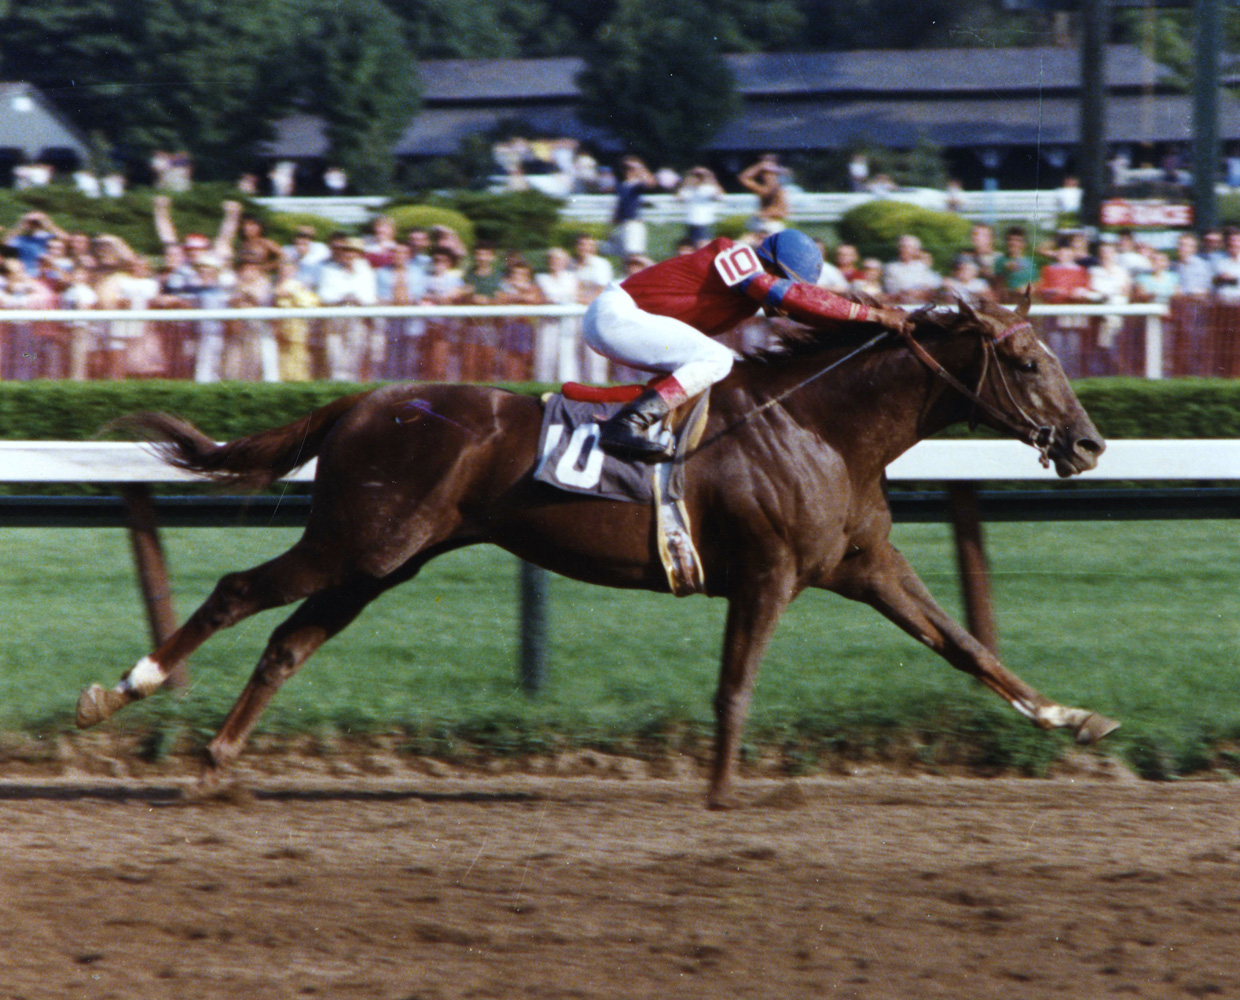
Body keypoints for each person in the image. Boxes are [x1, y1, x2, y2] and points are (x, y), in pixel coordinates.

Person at [582, 229, 908, 460]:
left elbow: (802, 308)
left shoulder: (747, 296)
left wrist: (868, 323)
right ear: (770, 265)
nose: (784, 291)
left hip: (624, 321)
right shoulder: (733, 254)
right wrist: (872, 315)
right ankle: (627, 424)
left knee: (712, 368)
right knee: (717, 359)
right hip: (615, 314)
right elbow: (787, 295)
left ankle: (639, 421)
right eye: (782, 278)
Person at [612, 156, 656, 256]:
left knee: (634, 255)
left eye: (630, 168)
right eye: (625, 168)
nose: (628, 171)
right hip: (622, 223)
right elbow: (619, 204)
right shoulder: (622, 185)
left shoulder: (637, 185)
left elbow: (651, 183)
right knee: (624, 256)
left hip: (633, 223)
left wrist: (639, 168)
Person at [738, 154, 790, 234]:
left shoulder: (780, 190)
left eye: (770, 174)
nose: (767, 176)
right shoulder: (762, 189)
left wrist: (765, 213)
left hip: (773, 225)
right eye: (764, 174)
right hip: (761, 223)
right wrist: (760, 166)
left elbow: (784, 212)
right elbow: (743, 178)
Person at [882, 234, 942, 304]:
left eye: (908, 247)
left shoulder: (922, 267)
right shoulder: (891, 268)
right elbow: (892, 290)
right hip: (901, 304)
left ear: (916, 250)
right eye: (902, 247)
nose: (904, 250)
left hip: (922, 304)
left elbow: (934, 286)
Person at [676, 166, 725, 246]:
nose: (697, 178)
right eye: (695, 176)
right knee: (692, 247)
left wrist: (709, 176)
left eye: (699, 176)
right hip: (691, 222)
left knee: (705, 246)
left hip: (705, 222)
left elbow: (720, 196)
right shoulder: (687, 190)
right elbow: (679, 197)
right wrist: (688, 177)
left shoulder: (708, 189)